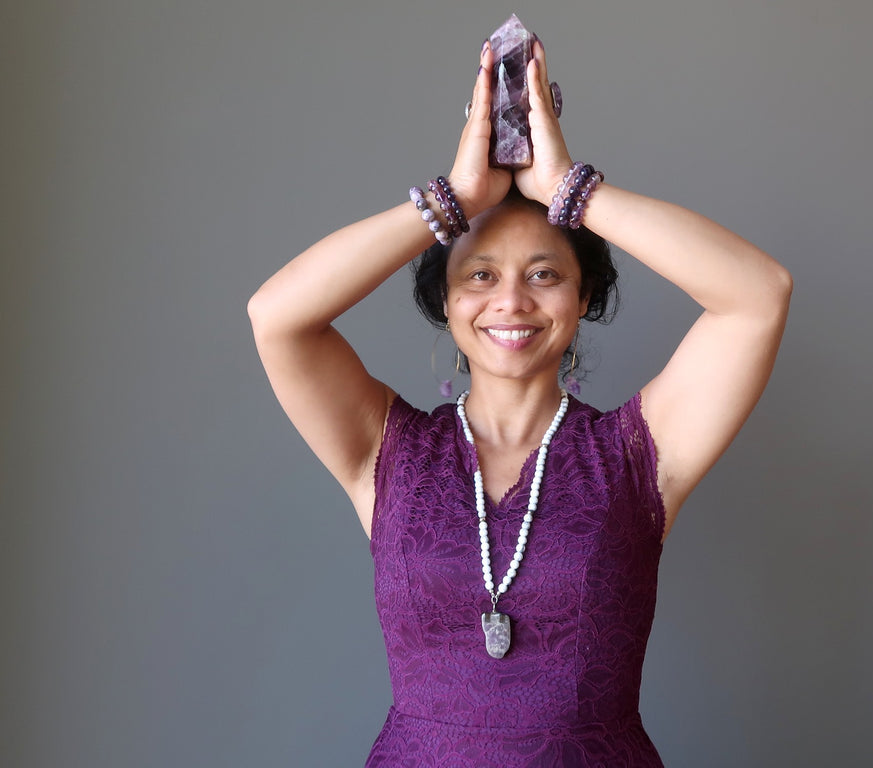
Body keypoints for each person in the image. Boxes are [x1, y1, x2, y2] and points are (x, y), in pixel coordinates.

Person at [248, 36, 792, 768]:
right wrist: (454, 199)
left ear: (583, 296)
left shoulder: (639, 454)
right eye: (478, 276)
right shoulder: (385, 450)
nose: (511, 301)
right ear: (445, 300)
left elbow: (759, 296)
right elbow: (277, 316)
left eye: (544, 274)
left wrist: (571, 187)